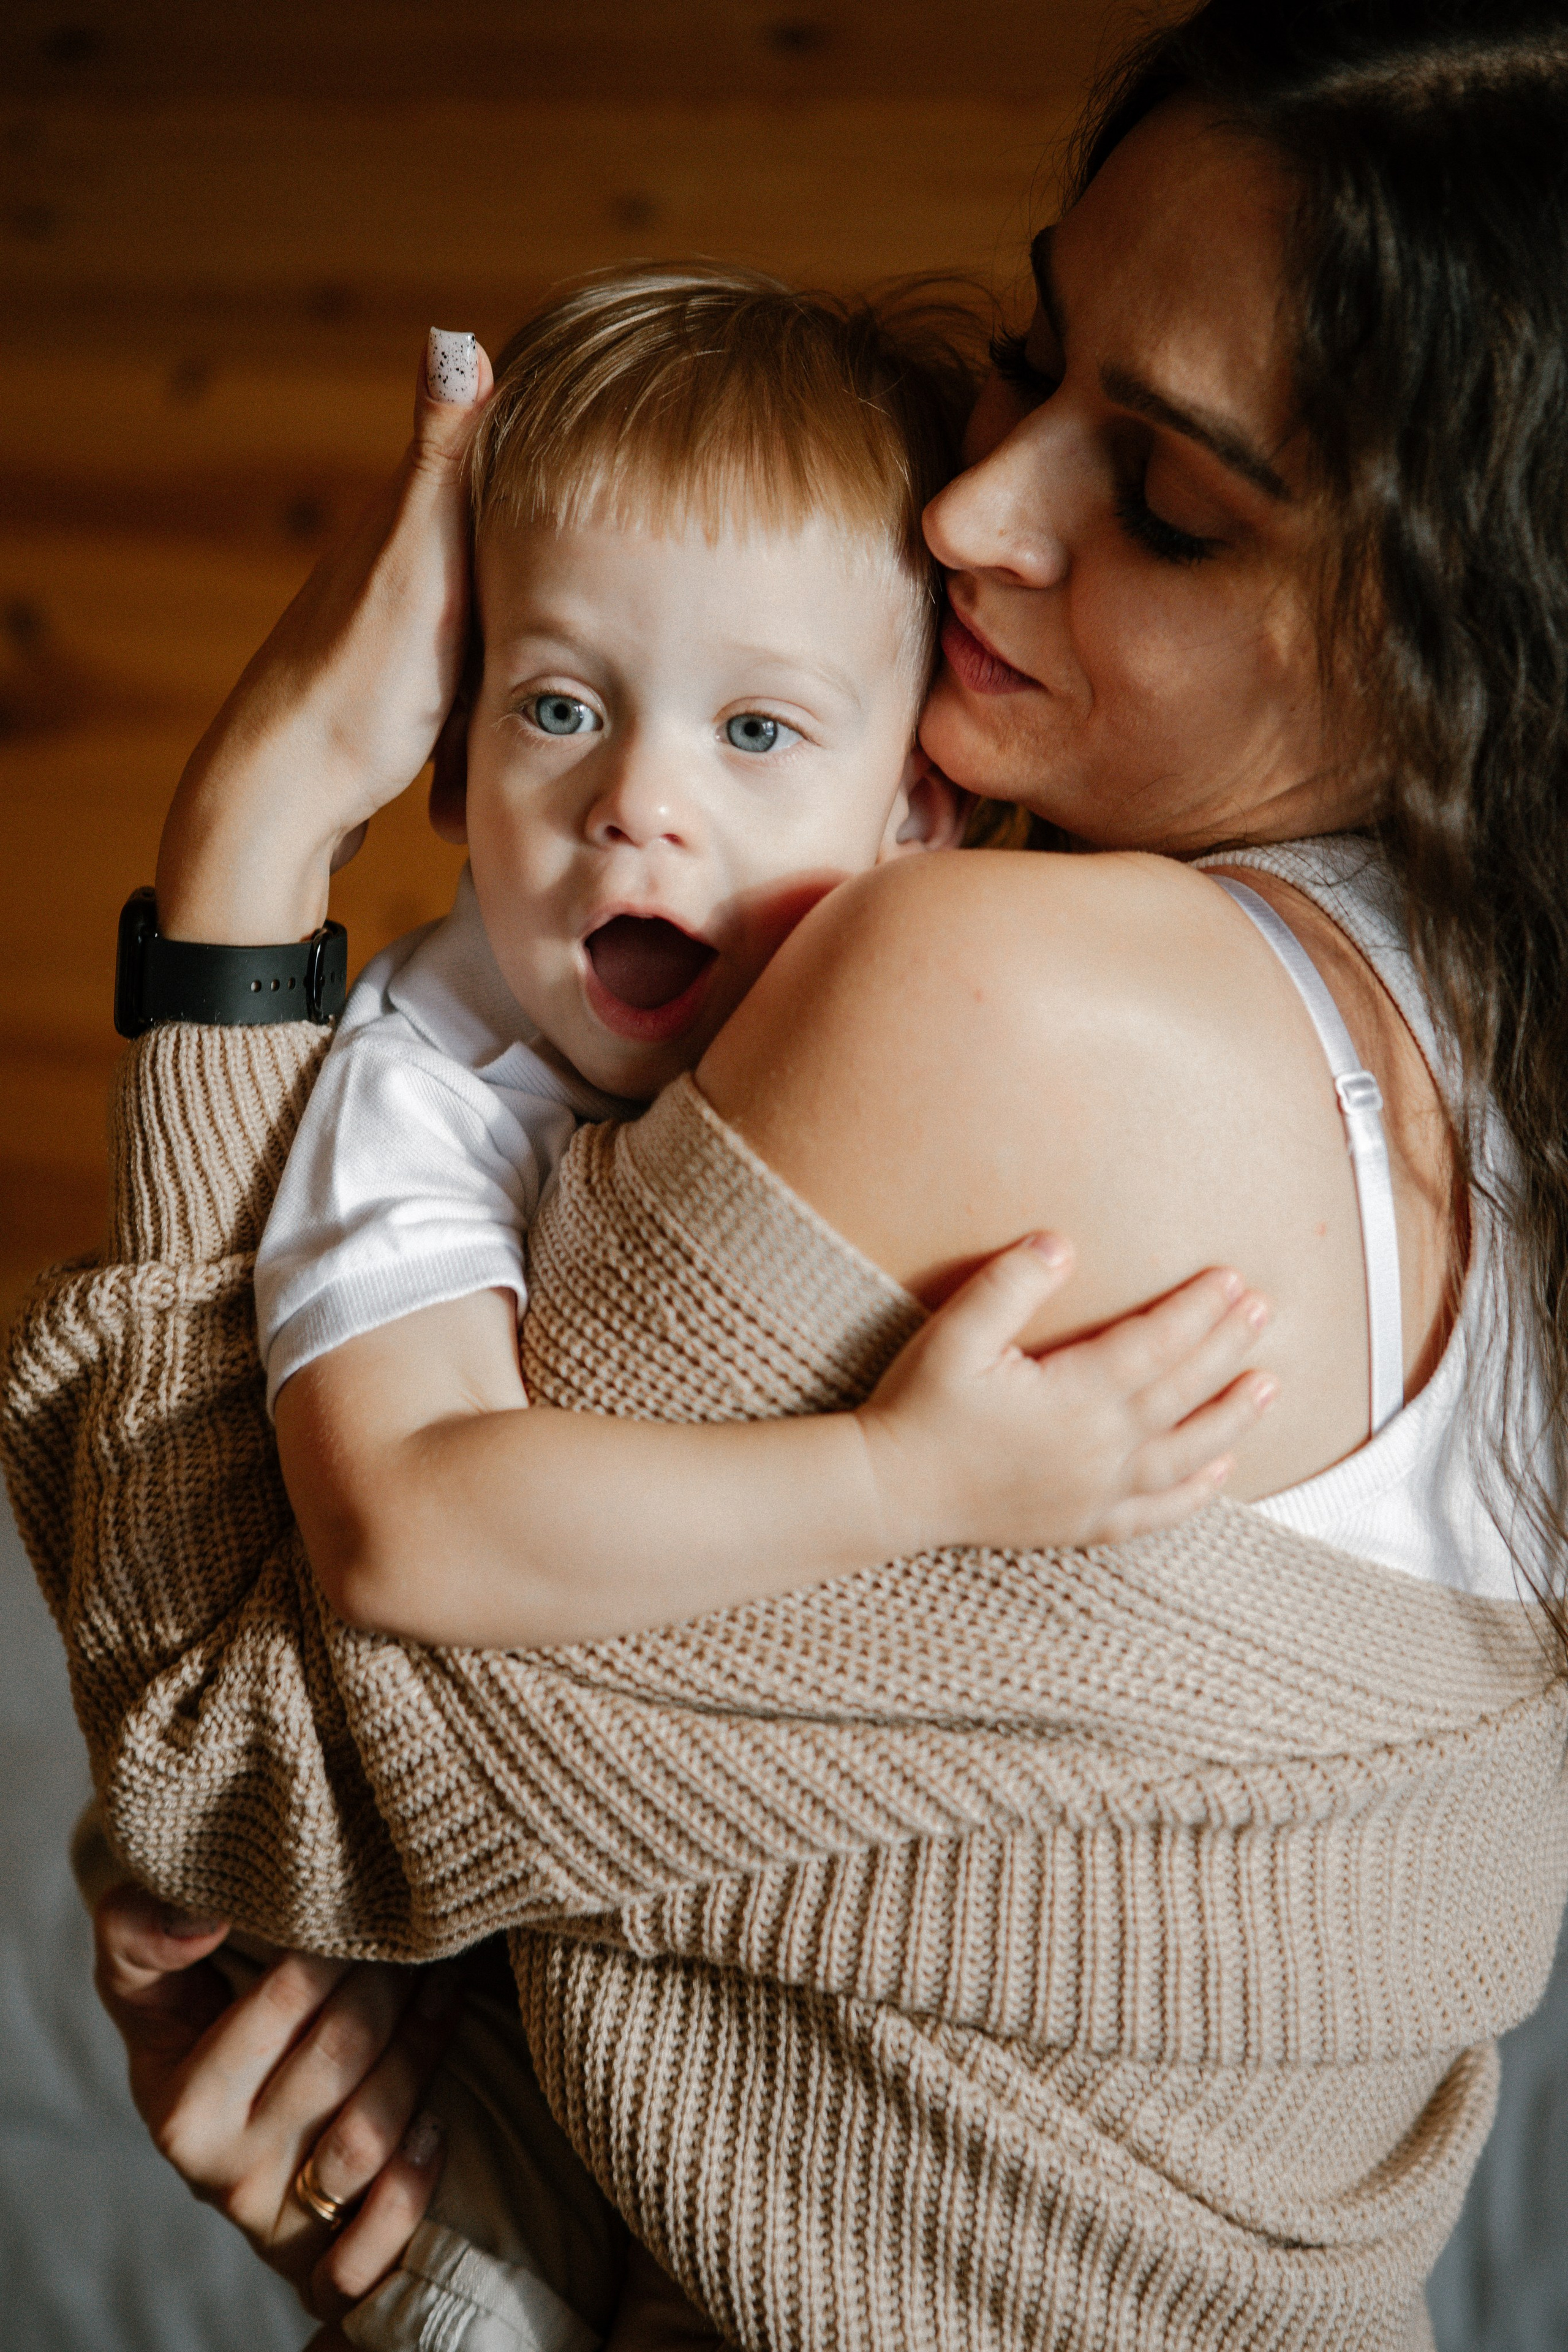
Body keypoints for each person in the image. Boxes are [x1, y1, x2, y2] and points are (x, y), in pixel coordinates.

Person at [15, 0, 1568, 2343]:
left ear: (1465, 624)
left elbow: (235, 1782)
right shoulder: (1503, 1059)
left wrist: (244, 849)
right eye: (1027, 358)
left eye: (1159, 494)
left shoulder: (996, 996)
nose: (970, 512)